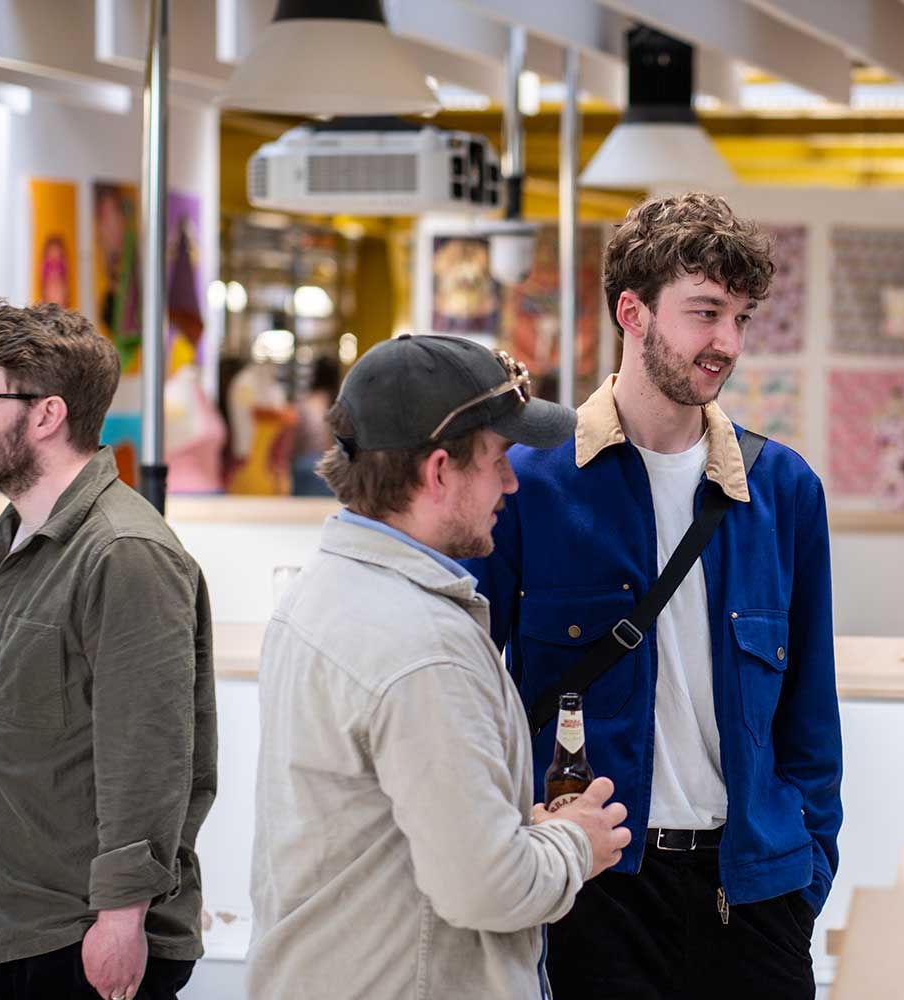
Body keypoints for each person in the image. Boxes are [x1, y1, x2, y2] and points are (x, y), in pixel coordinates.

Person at [467, 192, 842, 999]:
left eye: (741, 318)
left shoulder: (783, 489)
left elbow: (811, 719)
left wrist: (808, 877)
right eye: (705, 313)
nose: (727, 343)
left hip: (755, 893)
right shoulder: (531, 483)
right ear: (631, 312)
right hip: (594, 892)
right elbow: (463, 684)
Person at [246, 334, 632, 999]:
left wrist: (515, 833)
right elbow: (487, 888)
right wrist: (576, 842)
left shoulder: (320, 593)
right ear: (439, 472)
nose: (512, 482)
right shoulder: (423, 648)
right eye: (497, 459)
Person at [0, 299, 216, 1000]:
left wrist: (121, 919)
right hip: (16, 920)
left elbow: (147, 754)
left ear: (46, 415)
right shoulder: (18, 539)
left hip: (76, 936)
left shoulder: (124, 552)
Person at [289, 353, 341, 496]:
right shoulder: (341, 403)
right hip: (332, 467)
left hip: (304, 464)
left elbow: (294, 438)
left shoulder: (305, 403)